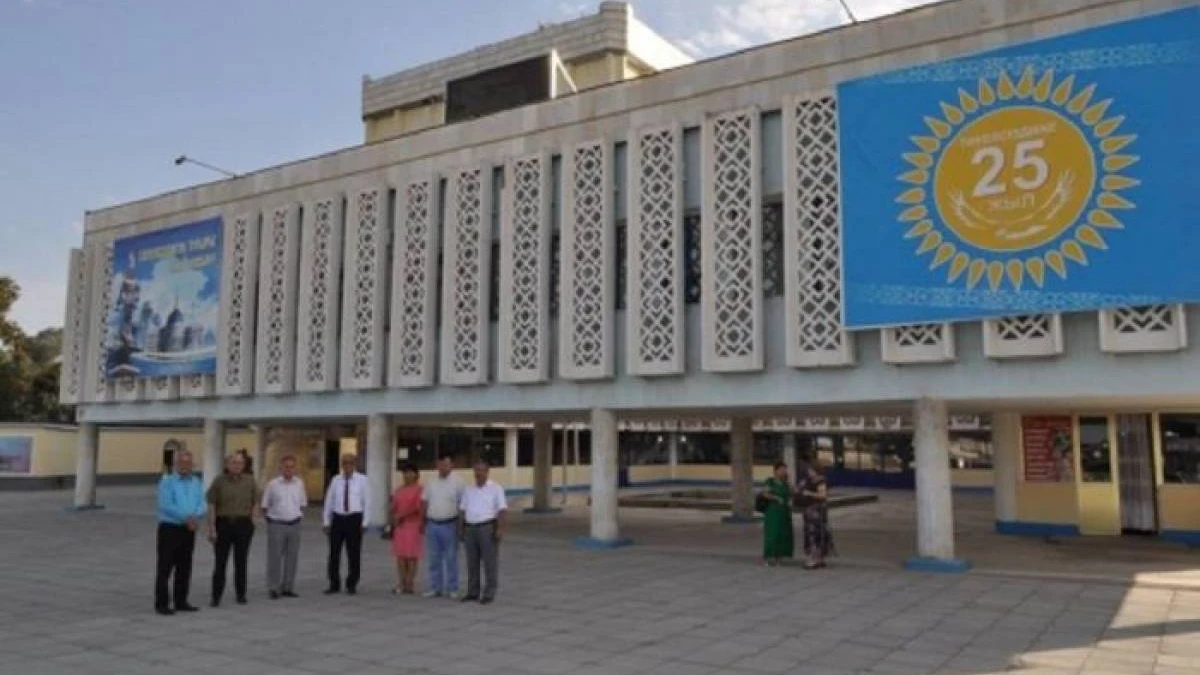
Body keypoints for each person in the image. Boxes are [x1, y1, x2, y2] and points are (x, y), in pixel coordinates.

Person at [154, 450, 206, 615]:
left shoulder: (196, 482)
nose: (185, 466)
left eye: (188, 463)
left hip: (189, 529)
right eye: (182, 462)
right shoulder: (167, 482)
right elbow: (166, 505)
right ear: (176, 464)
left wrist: (196, 515)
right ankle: (162, 603)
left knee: (185, 566)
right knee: (165, 566)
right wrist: (186, 518)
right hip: (170, 528)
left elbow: (202, 502)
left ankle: (181, 601)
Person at [205, 453, 260, 607]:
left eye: (240, 463)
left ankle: (241, 594)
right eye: (234, 462)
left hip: (243, 524)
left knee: (241, 561)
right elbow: (211, 504)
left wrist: (254, 518)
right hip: (223, 524)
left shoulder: (250, 481)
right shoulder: (219, 481)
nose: (237, 466)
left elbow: (256, 500)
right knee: (220, 562)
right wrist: (211, 528)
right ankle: (216, 596)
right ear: (227, 464)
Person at [458, 459, 507, 605]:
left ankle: (489, 592)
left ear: (487, 472)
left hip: (487, 528)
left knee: (489, 562)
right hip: (470, 529)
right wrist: (460, 528)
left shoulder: (496, 488)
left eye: (481, 470)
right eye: (476, 470)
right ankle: (473, 592)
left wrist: (500, 529)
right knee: (472, 563)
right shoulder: (468, 489)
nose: (478, 473)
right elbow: (462, 510)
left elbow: (502, 510)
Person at [323, 453, 370, 595]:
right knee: (334, 553)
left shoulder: (362, 480)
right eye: (344, 463)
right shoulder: (336, 480)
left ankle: (352, 583)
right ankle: (334, 583)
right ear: (341, 465)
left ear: (354, 464)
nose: (347, 466)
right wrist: (326, 521)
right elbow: (329, 501)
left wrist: (365, 522)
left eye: (350, 463)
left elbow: (367, 502)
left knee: (354, 553)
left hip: (354, 518)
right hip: (338, 518)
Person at [261, 455, 306, 599]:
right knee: (275, 557)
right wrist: (271, 521)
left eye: (292, 467)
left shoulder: (299, 484)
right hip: (277, 524)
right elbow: (265, 505)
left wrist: (297, 517)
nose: (289, 469)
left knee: (292, 557)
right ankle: (274, 587)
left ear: (295, 468)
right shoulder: (272, 484)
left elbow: (302, 504)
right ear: (280, 468)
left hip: (294, 524)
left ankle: (288, 587)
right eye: (286, 466)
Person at [422, 452, 464, 599]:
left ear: (451, 465)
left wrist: (461, 527)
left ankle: (453, 588)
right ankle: (436, 587)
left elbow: (462, 505)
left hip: (450, 524)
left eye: (446, 464)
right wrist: (423, 521)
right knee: (434, 559)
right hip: (432, 524)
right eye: (440, 464)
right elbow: (424, 501)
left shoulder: (458, 482)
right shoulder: (431, 480)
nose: (443, 467)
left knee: (451, 558)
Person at [390, 463, 424, 594]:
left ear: (416, 475)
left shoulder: (420, 489)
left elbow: (417, 507)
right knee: (401, 556)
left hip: (413, 525)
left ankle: (410, 583)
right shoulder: (399, 490)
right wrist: (392, 518)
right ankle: (402, 582)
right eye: (405, 472)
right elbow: (394, 507)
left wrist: (401, 515)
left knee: (411, 556)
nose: (407, 475)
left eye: (410, 472)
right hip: (400, 527)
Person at [798, 463, 834, 569]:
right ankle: (819, 559)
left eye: (811, 470)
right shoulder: (808, 480)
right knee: (814, 534)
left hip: (817, 512)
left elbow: (823, 495)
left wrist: (809, 493)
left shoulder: (820, 481)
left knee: (815, 534)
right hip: (811, 512)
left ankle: (814, 559)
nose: (809, 472)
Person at [759, 462, 794, 566]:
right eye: (782, 469)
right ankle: (767, 557)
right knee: (772, 534)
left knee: (782, 534)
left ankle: (779, 557)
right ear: (776, 470)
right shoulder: (770, 481)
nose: (784, 472)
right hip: (773, 511)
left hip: (784, 512)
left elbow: (792, 493)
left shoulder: (786, 483)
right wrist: (776, 498)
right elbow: (765, 494)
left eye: (785, 470)